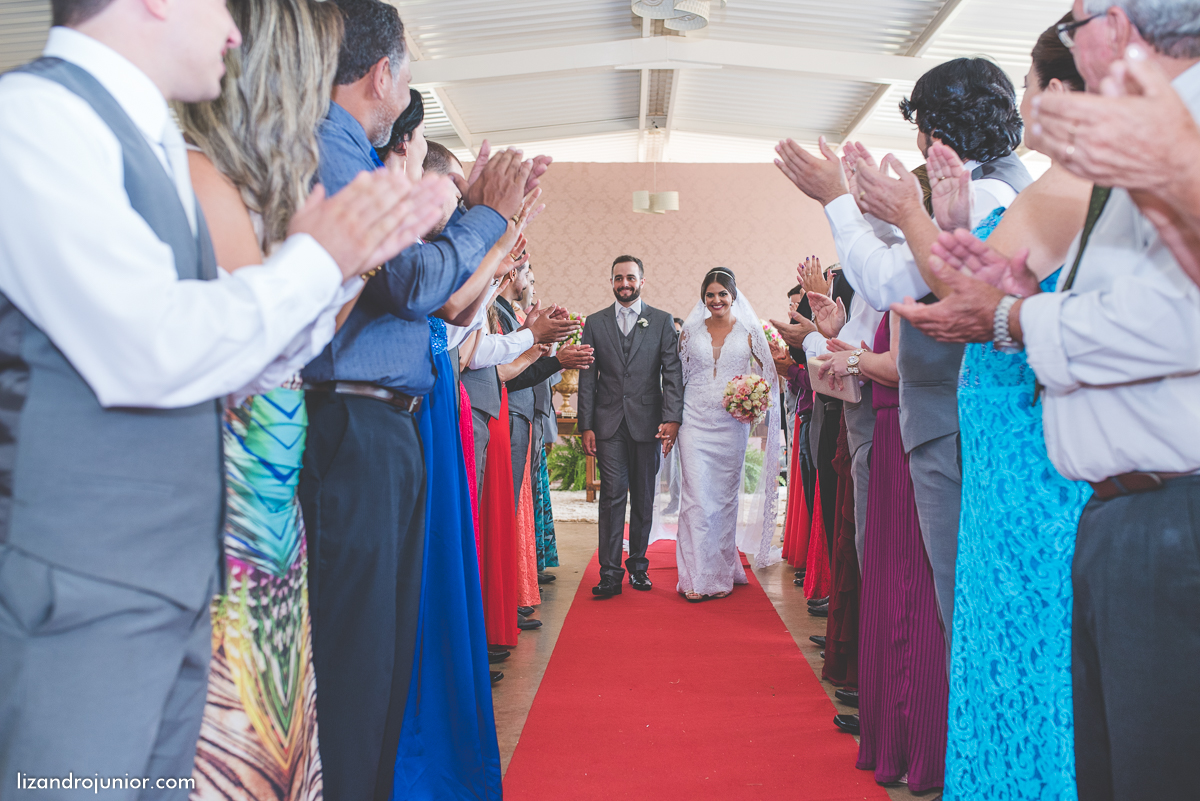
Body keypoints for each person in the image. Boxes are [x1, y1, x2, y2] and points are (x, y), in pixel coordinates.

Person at [0, 0, 439, 794]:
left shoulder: (152, 141)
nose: (234, 33)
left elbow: (237, 365)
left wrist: (335, 267)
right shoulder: (32, 120)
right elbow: (150, 349)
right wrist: (318, 260)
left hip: (179, 576)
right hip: (86, 585)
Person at [893, 2, 1200, 797]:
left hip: (1167, 509)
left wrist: (1013, 312)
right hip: (1115, 502)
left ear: (1123, 29)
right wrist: (1020, 298)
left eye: (1077, 19)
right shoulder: (1131, 156)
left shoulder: (1166, 142)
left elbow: (1177, 323)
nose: (1066, 40)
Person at [295, 1, 536, 798]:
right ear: (382, 73)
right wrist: (482, 217)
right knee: (356, 661)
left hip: (382, 421)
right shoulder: (333, 150)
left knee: (385, 656)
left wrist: (484, 224)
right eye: (409, 66)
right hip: (353, 418)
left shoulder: (350, 149)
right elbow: (409, 281)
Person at [776, 57, 1033, 650]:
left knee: (960, 607)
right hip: (955, 412)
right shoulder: (997, 181)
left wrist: (838, 201)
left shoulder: (989, 190)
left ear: (933, 127)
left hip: (952, 415)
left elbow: (893, 282)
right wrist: (887, 212)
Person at [914, 19, 1093, 801]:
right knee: (998, 628)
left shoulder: (1066, 187)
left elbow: (980, 302)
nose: (1021, 100)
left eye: (1028, 82)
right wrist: (952, 227)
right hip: (1002, 434)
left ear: (1059, 92)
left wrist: (902, 213)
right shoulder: (1060, 184)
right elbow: (989, 282)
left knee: (1017, 634)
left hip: (1025, 444)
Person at [175, 0, 347, 797]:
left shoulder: (239, 191)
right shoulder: (199, 183)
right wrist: (331, 262)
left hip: (269, 538)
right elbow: (247, 372)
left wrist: (338, 264)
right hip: (228, 544)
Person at [577, 255, 684, 598]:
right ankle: (609, 572)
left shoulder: (662, 321)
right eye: (618, 278)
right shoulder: (594, 323)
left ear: (642, 281)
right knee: (611, 496)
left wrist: (671, 418)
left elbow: (672, 374)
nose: (625, 283)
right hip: (608, 424)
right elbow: (587, 378)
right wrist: (586, 424)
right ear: (611, 282)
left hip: (648, 423)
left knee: (644, 496)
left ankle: (638, 566)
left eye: (631, 277)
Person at [672, 268, 781, 601]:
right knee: (695, 498)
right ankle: (694, 577)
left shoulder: (750, 331)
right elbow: (678, 378)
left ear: (733, 295)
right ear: (703, 298)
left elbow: (769, 379)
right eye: (710, 294)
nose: (716, 300)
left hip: (731, 424)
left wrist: (754, 403)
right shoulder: (689, 332)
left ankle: (718, 573)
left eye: (722, 294)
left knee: (722, 500)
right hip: (693, 421)